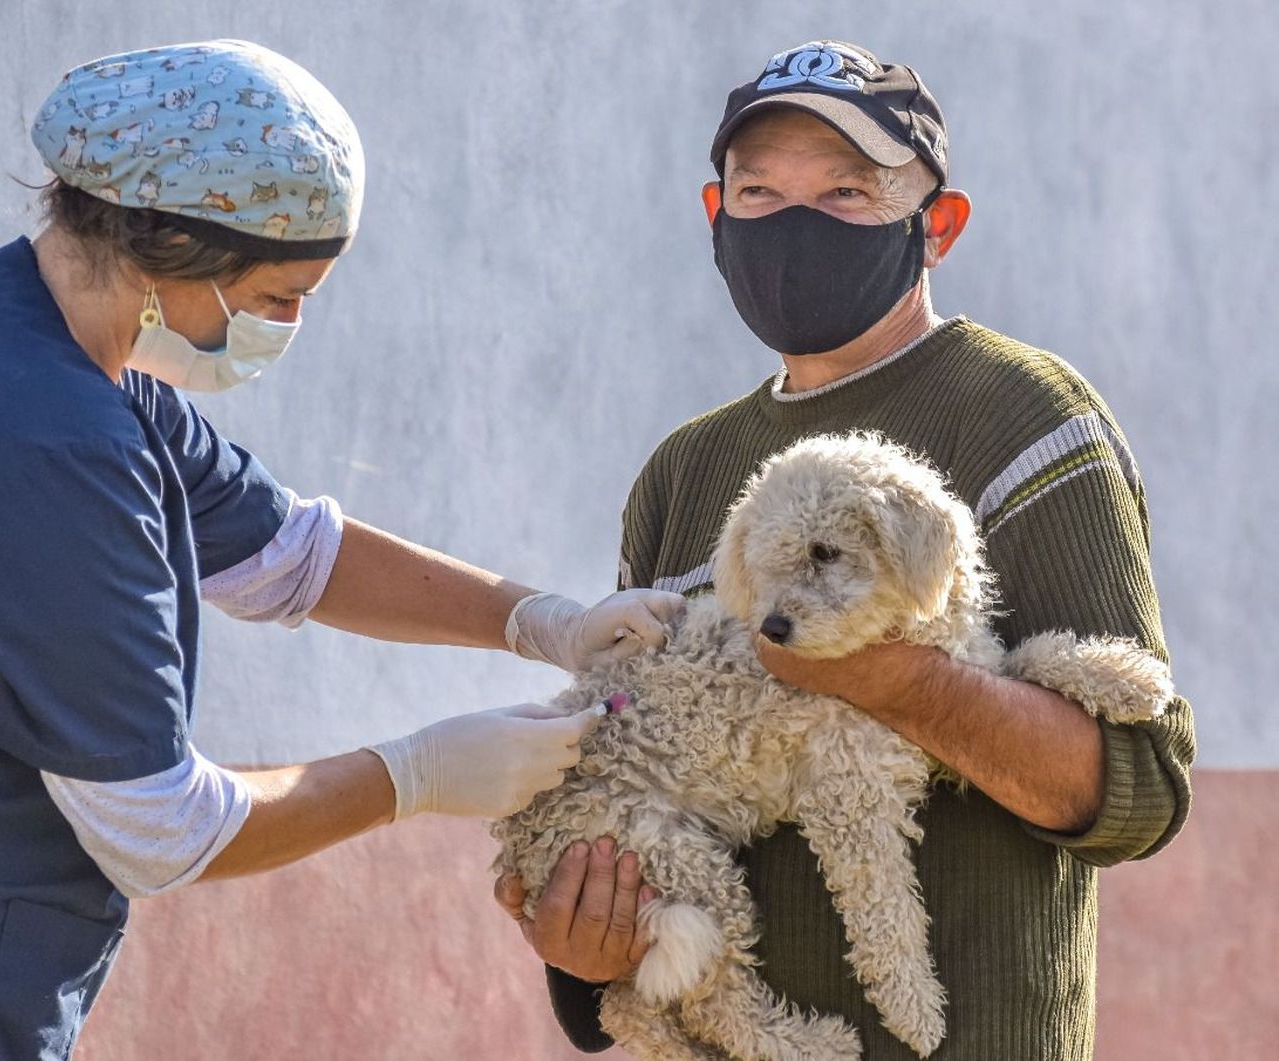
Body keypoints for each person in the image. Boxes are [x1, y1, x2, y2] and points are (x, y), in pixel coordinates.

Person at [0, 40, 686, 1059]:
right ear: (174, 248)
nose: (292, 324)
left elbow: (290, 551)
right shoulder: (43, 440)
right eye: (279, 294)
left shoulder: (65, 348)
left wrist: (542, 622)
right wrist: (417, 773)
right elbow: (160, 829)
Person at [496, 40, 1195, 1059]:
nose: (794, 225)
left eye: (847, 192)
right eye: (761, 191)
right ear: (715, 217)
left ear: (936, 227)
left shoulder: (1027, 417)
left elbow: (1138, 787)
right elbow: (632, 749)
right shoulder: (684, 473)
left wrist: (885, 675)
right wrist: (586, 945)